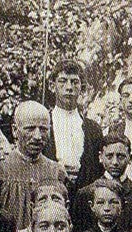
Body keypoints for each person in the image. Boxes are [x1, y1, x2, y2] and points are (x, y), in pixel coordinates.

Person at [0, 101, 68, 229]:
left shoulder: (57, 172)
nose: (38, 136)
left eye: (43, 129)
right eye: (30, 128)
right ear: (15, 130)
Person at [71, 133, 132, 232]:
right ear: (101, 157)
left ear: (130, 158)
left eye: (121, 156)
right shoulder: (85, 194)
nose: (115, 162)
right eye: (109, 156)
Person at [44, 59, 104, 189]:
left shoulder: (93, 129)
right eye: (63, 81)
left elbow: (99, 170)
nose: (69, 87)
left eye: (74, 82)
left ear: (81, 88)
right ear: (51, 86)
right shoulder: (43, 126)